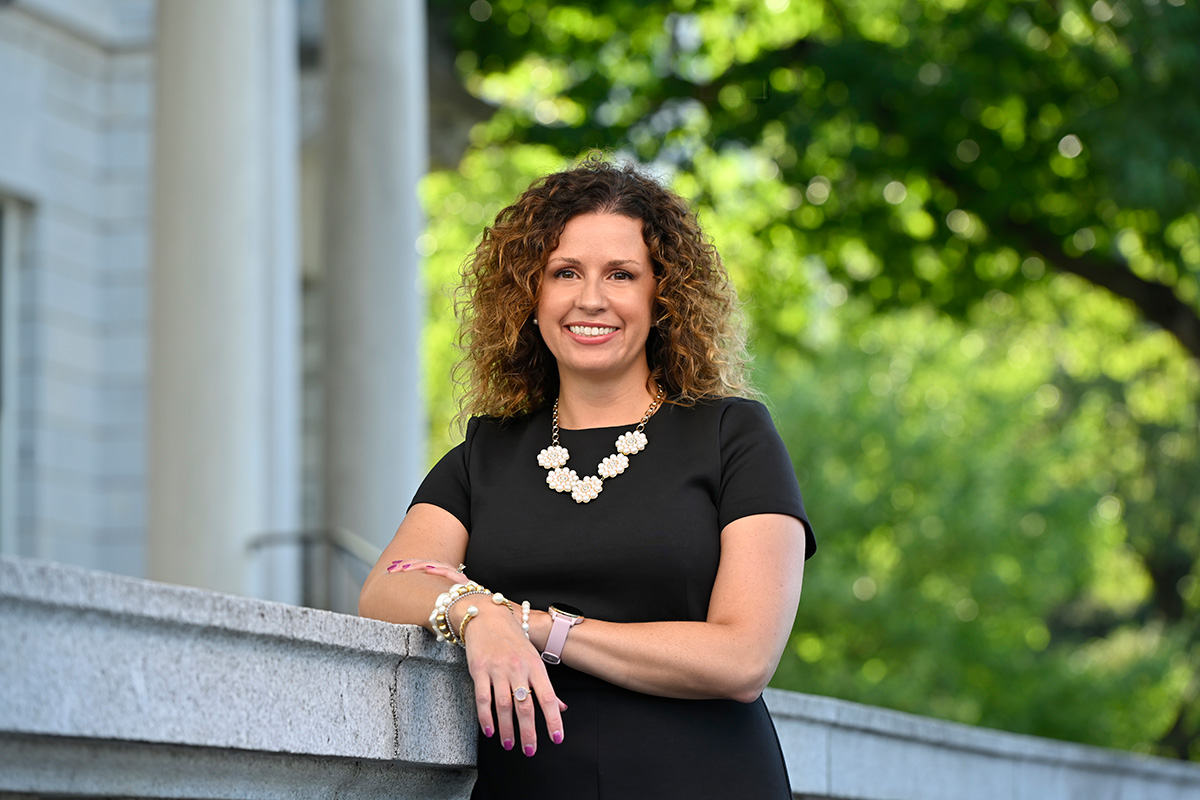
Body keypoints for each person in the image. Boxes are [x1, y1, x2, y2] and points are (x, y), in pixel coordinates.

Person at [358, 157, 815, 800]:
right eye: (564, 273)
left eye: (621, 275)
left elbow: (742, 659)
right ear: (531, 297)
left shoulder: (732, 437)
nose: (590, 299)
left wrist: (534, 626)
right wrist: (474, 615)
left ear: (662, 299)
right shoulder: (489, 451)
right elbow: (387, 587)